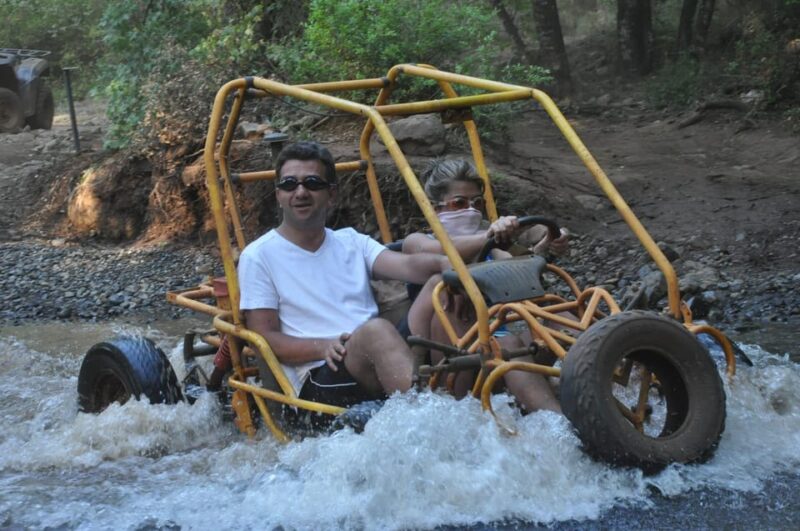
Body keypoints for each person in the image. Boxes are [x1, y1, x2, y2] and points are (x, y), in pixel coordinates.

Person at [236, 141, 450, 412]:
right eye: (290, 184)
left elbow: (407, 266)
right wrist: (322, 346)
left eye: (312, 183)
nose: (300, 192)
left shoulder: (351, 241)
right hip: (319, 377)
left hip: (374, 353)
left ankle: (463, 395)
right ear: (279, 194)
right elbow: (264, 337)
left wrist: (446, 264)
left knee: (440, 286)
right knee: (376, 331)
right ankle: (431, 421)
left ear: (331, 194)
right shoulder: (258, 255)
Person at [403, 159, 569, 413]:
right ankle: (567, 434)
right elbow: (445, 254)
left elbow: (523, 276)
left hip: (506, 357)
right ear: (436, 210)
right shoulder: (418, 242)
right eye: (460, 203)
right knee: (451, 290)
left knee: (558, 312)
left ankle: (622, 377)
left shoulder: (495, 251)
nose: (471, 210)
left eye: (477, 203)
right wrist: (489, 235)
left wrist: (548, 245)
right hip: (455, 372)